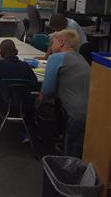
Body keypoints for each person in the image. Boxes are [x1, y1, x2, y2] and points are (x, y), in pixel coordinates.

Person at [36, 30, 90, 158]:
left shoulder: (56, 57)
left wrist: (38, 99)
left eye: (52, 42)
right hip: (91, 112)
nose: (50, 46)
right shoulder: (80, 57)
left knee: (71, 156)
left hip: (77, 114)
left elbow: (48, 91)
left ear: (61, 42)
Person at [0, 39, 38, 142]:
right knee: (31, 99)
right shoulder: (26, 66)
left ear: (1, 53)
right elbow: (34, 84)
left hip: (3, 104)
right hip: (24, 106)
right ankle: (27, 132)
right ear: (16, 52)